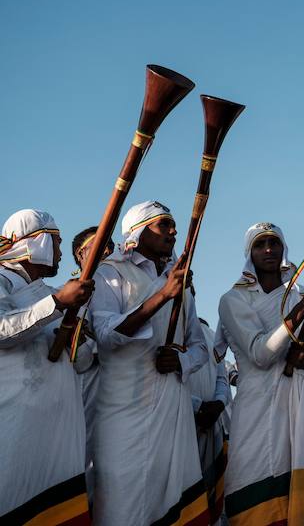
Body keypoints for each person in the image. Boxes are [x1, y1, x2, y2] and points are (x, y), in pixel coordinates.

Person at [90, 201, 209, 524]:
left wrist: (181, 359)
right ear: (137, 232)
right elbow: (105, 334)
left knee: (171, 497)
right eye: (163, 225)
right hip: (124, 411)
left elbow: (199, 346)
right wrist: (162, 295)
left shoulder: (178, 281)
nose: (173, 231)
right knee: (121, 502)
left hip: (172, 409)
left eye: (173, 224)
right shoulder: (110, 273)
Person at [218, 222, 304, 525]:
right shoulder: (233, 300)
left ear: (284, 249)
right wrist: (301, 311)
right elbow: (261, 354)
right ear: (249, 253)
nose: (268, 249)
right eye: (260, 244)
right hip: (257, 411)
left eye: (274, 243)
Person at [0, 209, 94, 523]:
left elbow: (82, 363)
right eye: (56, 242)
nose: (59, 251)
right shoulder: (3, 280)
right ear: (36, 242)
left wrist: (78, 338)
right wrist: (57, 305)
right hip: (16, 424)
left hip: (58, 430)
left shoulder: (55, 294)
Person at [70, 225, 114, 503]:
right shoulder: (71, 295)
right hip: (87, 389)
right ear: (80, 255)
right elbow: (78, 358)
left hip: (127, 386)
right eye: (99, 245)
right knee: (86, 460)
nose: (107, 251)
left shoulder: (127, 287)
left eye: (110, 245)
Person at [188, 316, 230, 524]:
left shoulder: (211, 337)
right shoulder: (173, 330)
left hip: (210, 424)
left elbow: (222, 379)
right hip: (181, 423)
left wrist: (218, 404)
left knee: (208, 494)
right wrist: (198, 406)